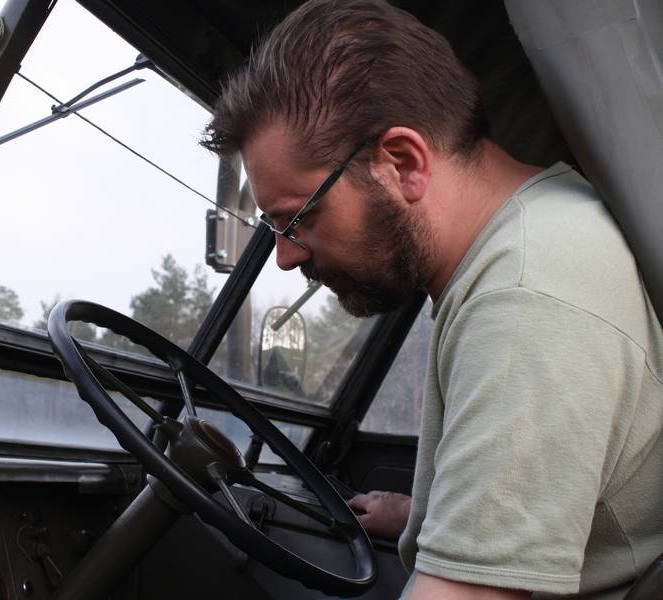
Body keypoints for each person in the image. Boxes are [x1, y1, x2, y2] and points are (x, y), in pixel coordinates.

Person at [200, 1, 663, 598]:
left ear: (402, 163)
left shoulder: (526, 300)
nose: (286, 257)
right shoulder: (533, 231)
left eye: (297, 219)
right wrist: (419, 514)